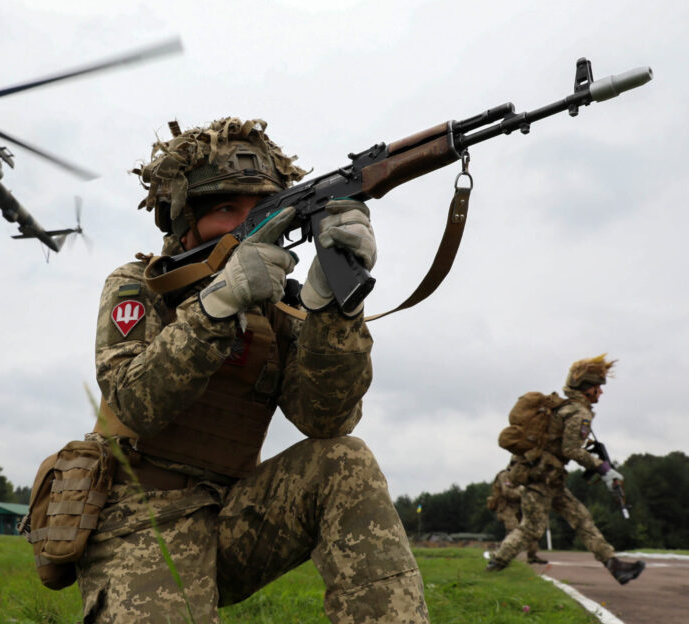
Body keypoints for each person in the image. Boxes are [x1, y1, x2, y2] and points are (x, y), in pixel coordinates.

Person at [78, 118, 427, 623]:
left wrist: (332, 309)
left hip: (238, 516)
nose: (253, 227)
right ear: (183, 221)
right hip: (139, 519)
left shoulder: (277, 307)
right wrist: (217, 305)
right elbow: (134, 401)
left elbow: (325, 420)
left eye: (263, 210)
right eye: (227, 210)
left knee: (344, 460)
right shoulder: (140, 286)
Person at [486, 355, 643, 584]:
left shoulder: (565, 408)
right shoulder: (578, 413)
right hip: (542, 479)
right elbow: (570, 450)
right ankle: (494, 566)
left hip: (550, 479)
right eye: (598, 387)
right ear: (587, 389)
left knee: (582, 519)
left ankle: (614, 565)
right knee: (531, 528)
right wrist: (603, 468)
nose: (601, 392)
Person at [485, 462, 545, 564]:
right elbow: (508, 493)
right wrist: (525, 492)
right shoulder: (504, 475)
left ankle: (532, 555)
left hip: (519, 507)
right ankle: (500, 556)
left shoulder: (522, 477)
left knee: (531, 528)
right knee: (512, 530)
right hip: (506, 508)